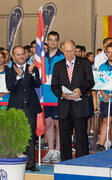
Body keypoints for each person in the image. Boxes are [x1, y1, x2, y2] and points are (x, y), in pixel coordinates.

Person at [51, 40, 95, 161]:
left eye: (71, 51)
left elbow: (91, 82)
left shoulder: (85, 63)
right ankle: (66, 163)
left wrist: (81, 89)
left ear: (75, 50)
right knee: (64, 137)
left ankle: (82, 163)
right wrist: (62, 94)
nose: (69, 54)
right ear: (63, 51)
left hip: (80, 105)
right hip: (64, 106)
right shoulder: (58, 65)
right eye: (67, 51)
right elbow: (54, 85)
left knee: (81, 136)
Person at [6, 46, 41, 172]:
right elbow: (10, 87)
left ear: (26, 55)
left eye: (23, 54)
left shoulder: (33, 68)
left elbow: (38, 83)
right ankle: (16, 161)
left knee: (30, 136)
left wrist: (31, 73)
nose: (21, 56)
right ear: (13, 56)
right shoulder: (10, 71)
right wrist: (18, 77)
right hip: (16, 108)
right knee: (15, 136)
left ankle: (31, 164)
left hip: (30, 107)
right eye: (18, 54)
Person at [41, 31, 64, 163]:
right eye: (50, 40)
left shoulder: (61, 57)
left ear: (58, 41)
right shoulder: (41, 58)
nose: (53, 42)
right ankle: (50, 151)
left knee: (58, 124)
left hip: (57, 96)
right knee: (48, 123)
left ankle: (58, 151)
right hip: (45, 97)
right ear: (47, 42)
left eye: (55, 40)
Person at [96, 42, 112, 151]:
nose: (110, 55)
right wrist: (104, 95)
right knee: (105, 120)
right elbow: (99, 83)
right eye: (108, 52)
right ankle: (101, 144)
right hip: (105, 98)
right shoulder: (102, 66)